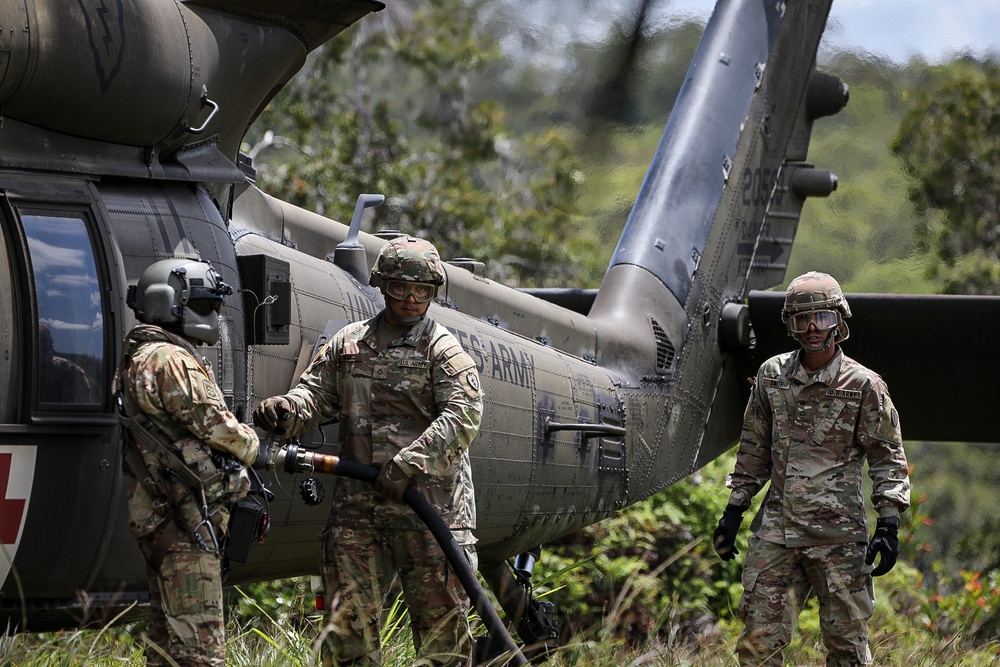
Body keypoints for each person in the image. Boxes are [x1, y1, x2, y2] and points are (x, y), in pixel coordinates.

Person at [253, 235, 483, 666]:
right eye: (400, 288)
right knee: (346, 635)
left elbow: (464, 416)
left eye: (423, 291)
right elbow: (315, 395)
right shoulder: (348, 344)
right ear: (381, 285)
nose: (411, 299)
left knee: (443, 642)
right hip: (359, 513)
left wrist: (409, 464)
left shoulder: (441, 349)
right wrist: (287, 410)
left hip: (430, 514)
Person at [712, 271, 910, 667]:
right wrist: (734, 509)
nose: (812, 329)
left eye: (821, 318)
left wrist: (888, 524)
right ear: (790, 324)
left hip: (838, 538)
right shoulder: (772, 377)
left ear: (839, 320)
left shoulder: (864, 385)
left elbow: (888, 458)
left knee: (846, 650)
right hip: (776, 535)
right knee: (757, 648)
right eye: (802, 319)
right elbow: (754, 449)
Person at [114, 258, 259, 667]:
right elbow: (221, 429)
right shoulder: (169, 359)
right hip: (185, 522)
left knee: (166, 649)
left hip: (163, 517)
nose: (212, 316)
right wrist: (252, 443)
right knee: (200, 652)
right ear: (170, 304)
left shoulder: (140, 356)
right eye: (205, 306)